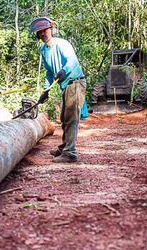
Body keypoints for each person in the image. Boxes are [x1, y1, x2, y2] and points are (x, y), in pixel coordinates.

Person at [30, 17, 88, 163]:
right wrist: (46, 90)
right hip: (65, 86)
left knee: (71, 118)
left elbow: (73, 61)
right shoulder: (43, 50)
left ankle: (70, 153)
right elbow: (49, 73)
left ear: (51, 30)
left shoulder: (62, 44)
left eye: (45, 30)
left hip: (75, 82)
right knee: (64, 118)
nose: (43, 34)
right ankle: (65, 147)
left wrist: (64, 70)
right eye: (40, 32)